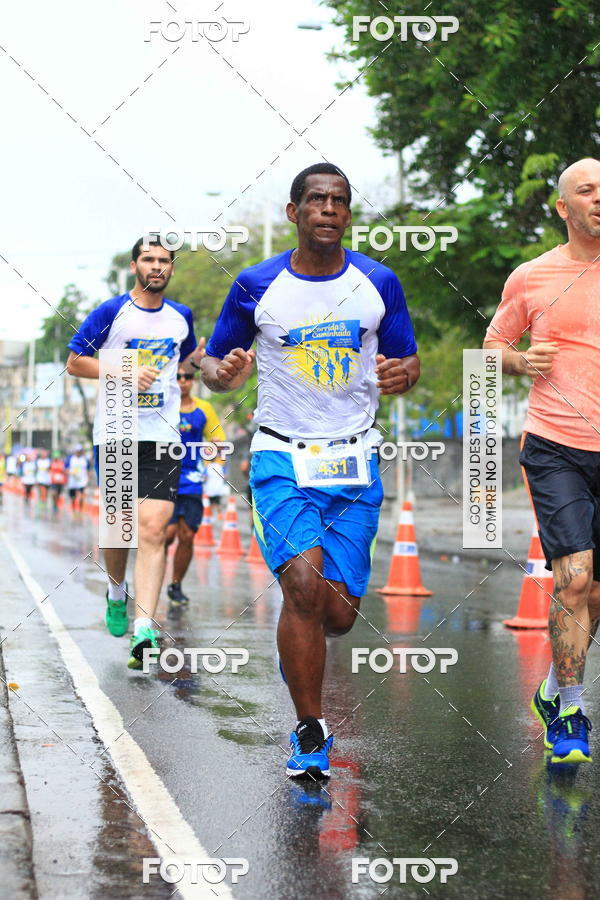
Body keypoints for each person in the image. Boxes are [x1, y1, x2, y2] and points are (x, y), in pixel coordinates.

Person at [201, 162, 419, 778]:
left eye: (340, 201)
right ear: (294, 212)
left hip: (353, 459)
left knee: (340, 615)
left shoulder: (380, 282)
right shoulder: (255, 283)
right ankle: (309, 728)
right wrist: (221, 372)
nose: (328, 209)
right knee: (301, 586)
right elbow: (212, 361)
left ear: (348, 214)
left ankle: (304, 661)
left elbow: (408, 359)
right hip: (281, 457)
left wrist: (406, 374)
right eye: (316, 200)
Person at [484, 157, 600, 765]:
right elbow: (492, 347)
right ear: (564, 207)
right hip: (557, 445)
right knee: (573, 578)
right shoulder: (533, 276)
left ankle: (554, 692)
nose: (599, 199)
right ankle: (573, 716)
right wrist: (521, 361)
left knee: (596, 591)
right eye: (586, 190)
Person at [66, 237, 204, 669]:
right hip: (116, 433)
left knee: (153, 529)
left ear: (171, 268)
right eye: (149, 259)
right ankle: (114, 590)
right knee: (118, 529)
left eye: (164, 261)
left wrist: (215, 359)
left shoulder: (181, 317)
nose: (157, 266)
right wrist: (124, 369)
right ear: (134, 266)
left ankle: (145, 629)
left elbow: (186, 361)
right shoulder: (111, 313)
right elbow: (75, 362)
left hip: (162, 435)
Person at [164, 366, 225, 612]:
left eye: (187, 376)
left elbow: (217, 441)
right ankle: (151, 577)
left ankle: (176, 585)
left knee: (187, 535)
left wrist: (215, 468)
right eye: (177, 377)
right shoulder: (162, 406)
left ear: (193, 380)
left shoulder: (204, 409)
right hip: (163, 479)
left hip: (191, 479)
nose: (182, 381)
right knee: (165, 536)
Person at [65, 444, 89, 511]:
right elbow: (65, 469)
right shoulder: (70, 459)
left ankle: (80, 510)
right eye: (77, 451)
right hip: (72, 481)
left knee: (81, 496)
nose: (78, 452)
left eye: (80, 451)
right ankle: (73, 510)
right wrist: (70, 473)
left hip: (82, 481)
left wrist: (87, 479)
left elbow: (88, 469)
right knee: (73, 497)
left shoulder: (85, 459)